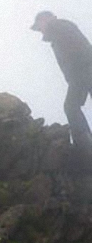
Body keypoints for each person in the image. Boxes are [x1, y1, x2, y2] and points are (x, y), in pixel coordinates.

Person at [32, 11, 92, 153]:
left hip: (83, 70)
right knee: (71, 106)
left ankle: (84, 144)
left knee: (70, 106)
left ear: (46, 19)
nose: (40, 30)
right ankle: (85, 142)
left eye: (39, 25)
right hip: (82, 71)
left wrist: (75, 72)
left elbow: (77, 49)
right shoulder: (59, 30)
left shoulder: (58, 26)